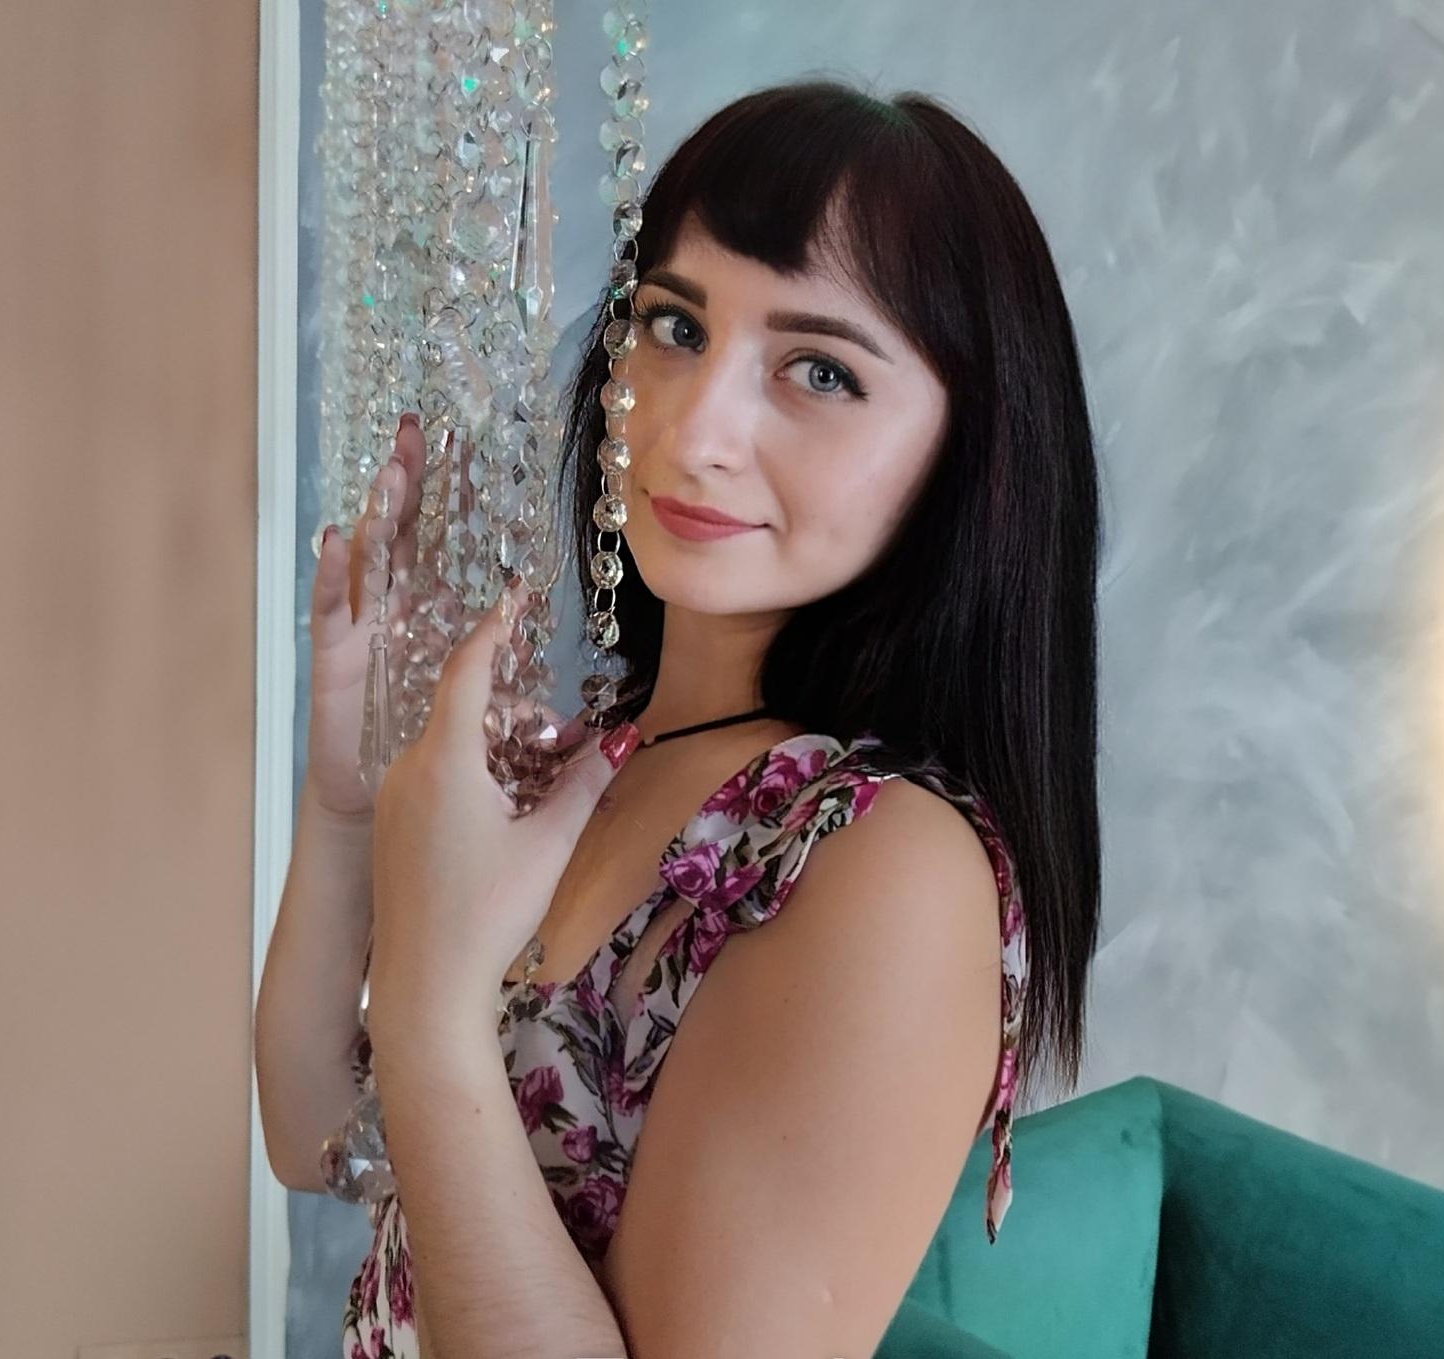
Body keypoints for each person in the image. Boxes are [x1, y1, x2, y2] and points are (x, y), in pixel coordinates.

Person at [257, 77, 1101, 1359]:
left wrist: (430, 1005)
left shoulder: (875, 865)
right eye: (673, 325)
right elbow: (318, 1137)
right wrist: (348, 803)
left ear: (967, 454)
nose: (695, 429)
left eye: (818, 370)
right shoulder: (595, 758)